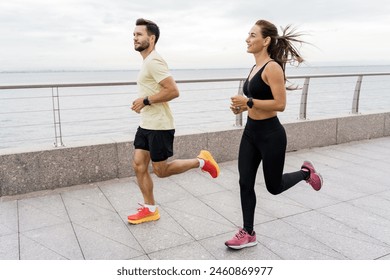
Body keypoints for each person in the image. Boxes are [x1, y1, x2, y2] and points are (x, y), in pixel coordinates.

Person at [226, 20, 323, 249]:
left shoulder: (272, 67)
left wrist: (248, 100)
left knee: (274, 187)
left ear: (266, 40)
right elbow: (259, 103)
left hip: (271, 135)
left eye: (252, 35)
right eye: (247, 35)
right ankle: (248, 232)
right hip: (251, 132)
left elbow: (280, 104)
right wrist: (243, 108)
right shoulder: (253, 69)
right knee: (244, 182)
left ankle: (305, 172)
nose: (247, 39)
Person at [128, 18, 220, 225]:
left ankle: (202, 161)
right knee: (139, 165)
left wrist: (145, 100)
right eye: (134, 34)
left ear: (151, 38)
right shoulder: (147, 61)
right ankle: (150, 209)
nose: (135, 38)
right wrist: (144, 103)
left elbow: (173, 91)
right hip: (146, 124)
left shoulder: (154, 61)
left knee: (161, 171)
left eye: (139, 34)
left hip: (159, 126)